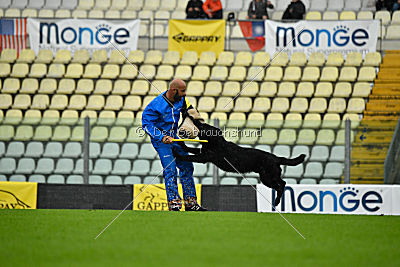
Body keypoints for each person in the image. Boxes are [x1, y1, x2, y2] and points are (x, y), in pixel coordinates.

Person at [142, 79, 207, 212]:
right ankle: (174, 203)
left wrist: (196, 122)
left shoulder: (181, 100)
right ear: (173, 90)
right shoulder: (155, 106)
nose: (184, 94)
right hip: (161, 141)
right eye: (182, 91)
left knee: (187, 167)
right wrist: (161, 137)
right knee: (170, 169)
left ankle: (190, 203)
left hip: (175, 138)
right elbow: (146, 125)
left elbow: (191, 111)